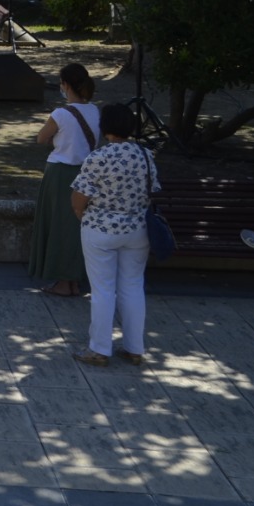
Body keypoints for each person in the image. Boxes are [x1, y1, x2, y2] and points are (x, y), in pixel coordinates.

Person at [70, 103, 153, 366]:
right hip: (137, 229)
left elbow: (78, 198)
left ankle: (99, 349)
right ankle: (134, 348)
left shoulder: (99, 157)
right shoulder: (145, 155)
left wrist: (84, 217)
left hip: (100, 228)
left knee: (103, 290)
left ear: (104, 127)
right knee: (132, 286)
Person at [29, 63, 100, 297]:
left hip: (60, 174)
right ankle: (74, 280)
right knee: (77, 227)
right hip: (86, 173)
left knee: (59, 226)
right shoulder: (95, 111)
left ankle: (61, 280)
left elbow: (41, 138)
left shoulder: (61, 114)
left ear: (66, 85)